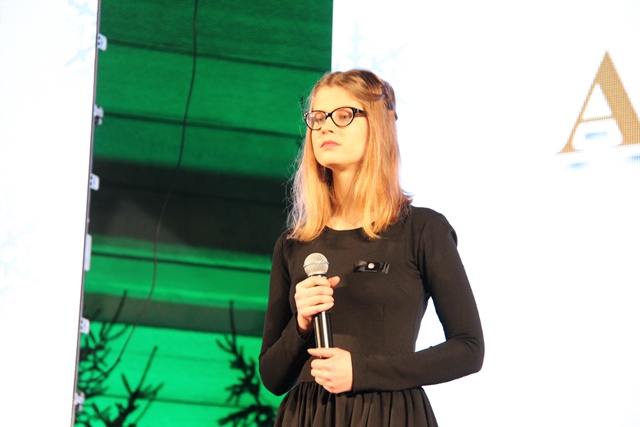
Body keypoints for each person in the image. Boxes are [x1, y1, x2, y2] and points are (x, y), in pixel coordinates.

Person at [259, 69, 484, 426]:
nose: (326, 127)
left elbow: (468, 348)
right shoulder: (294, 244)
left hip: (388, 414)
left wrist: (361, 372)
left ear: (377, 126)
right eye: (317, 117)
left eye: (343, 115)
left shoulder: (422, 230)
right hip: (308, 417)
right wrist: (300, 324)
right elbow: (273, 377)